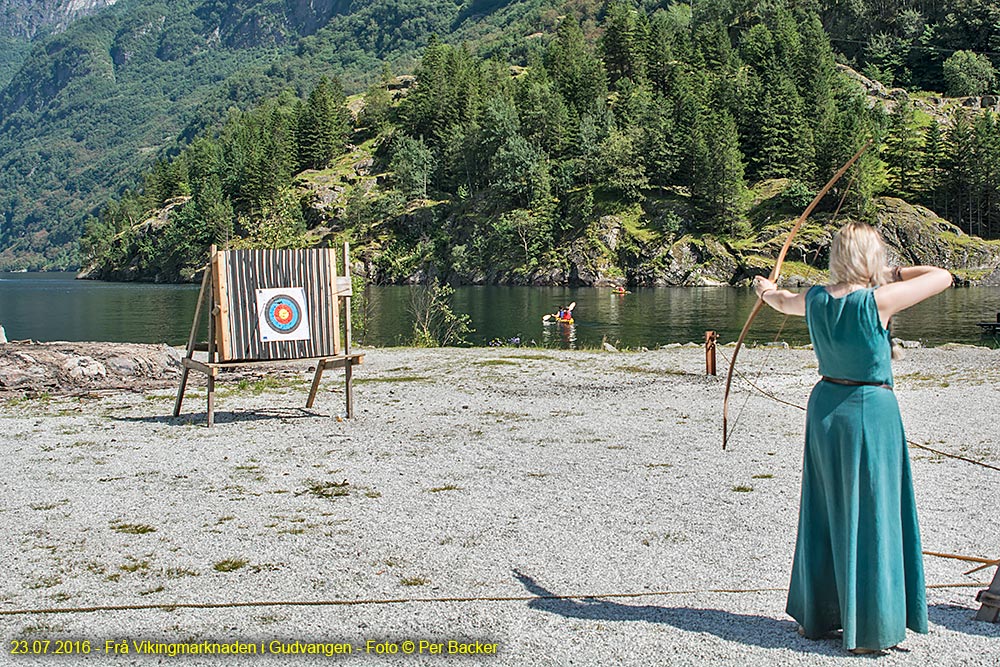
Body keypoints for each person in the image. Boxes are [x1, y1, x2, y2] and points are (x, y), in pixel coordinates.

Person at [752, 222, 952, 655]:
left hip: (825, 407)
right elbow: (942, 276)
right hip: (869, 410)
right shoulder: (877, 299)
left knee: (826, 508)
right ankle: (870, 628)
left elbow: (780, 300)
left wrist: (764, 288)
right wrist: (891, 273)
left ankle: (819, 618)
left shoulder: (817, 298)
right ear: (870, 256)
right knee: (873, 512)